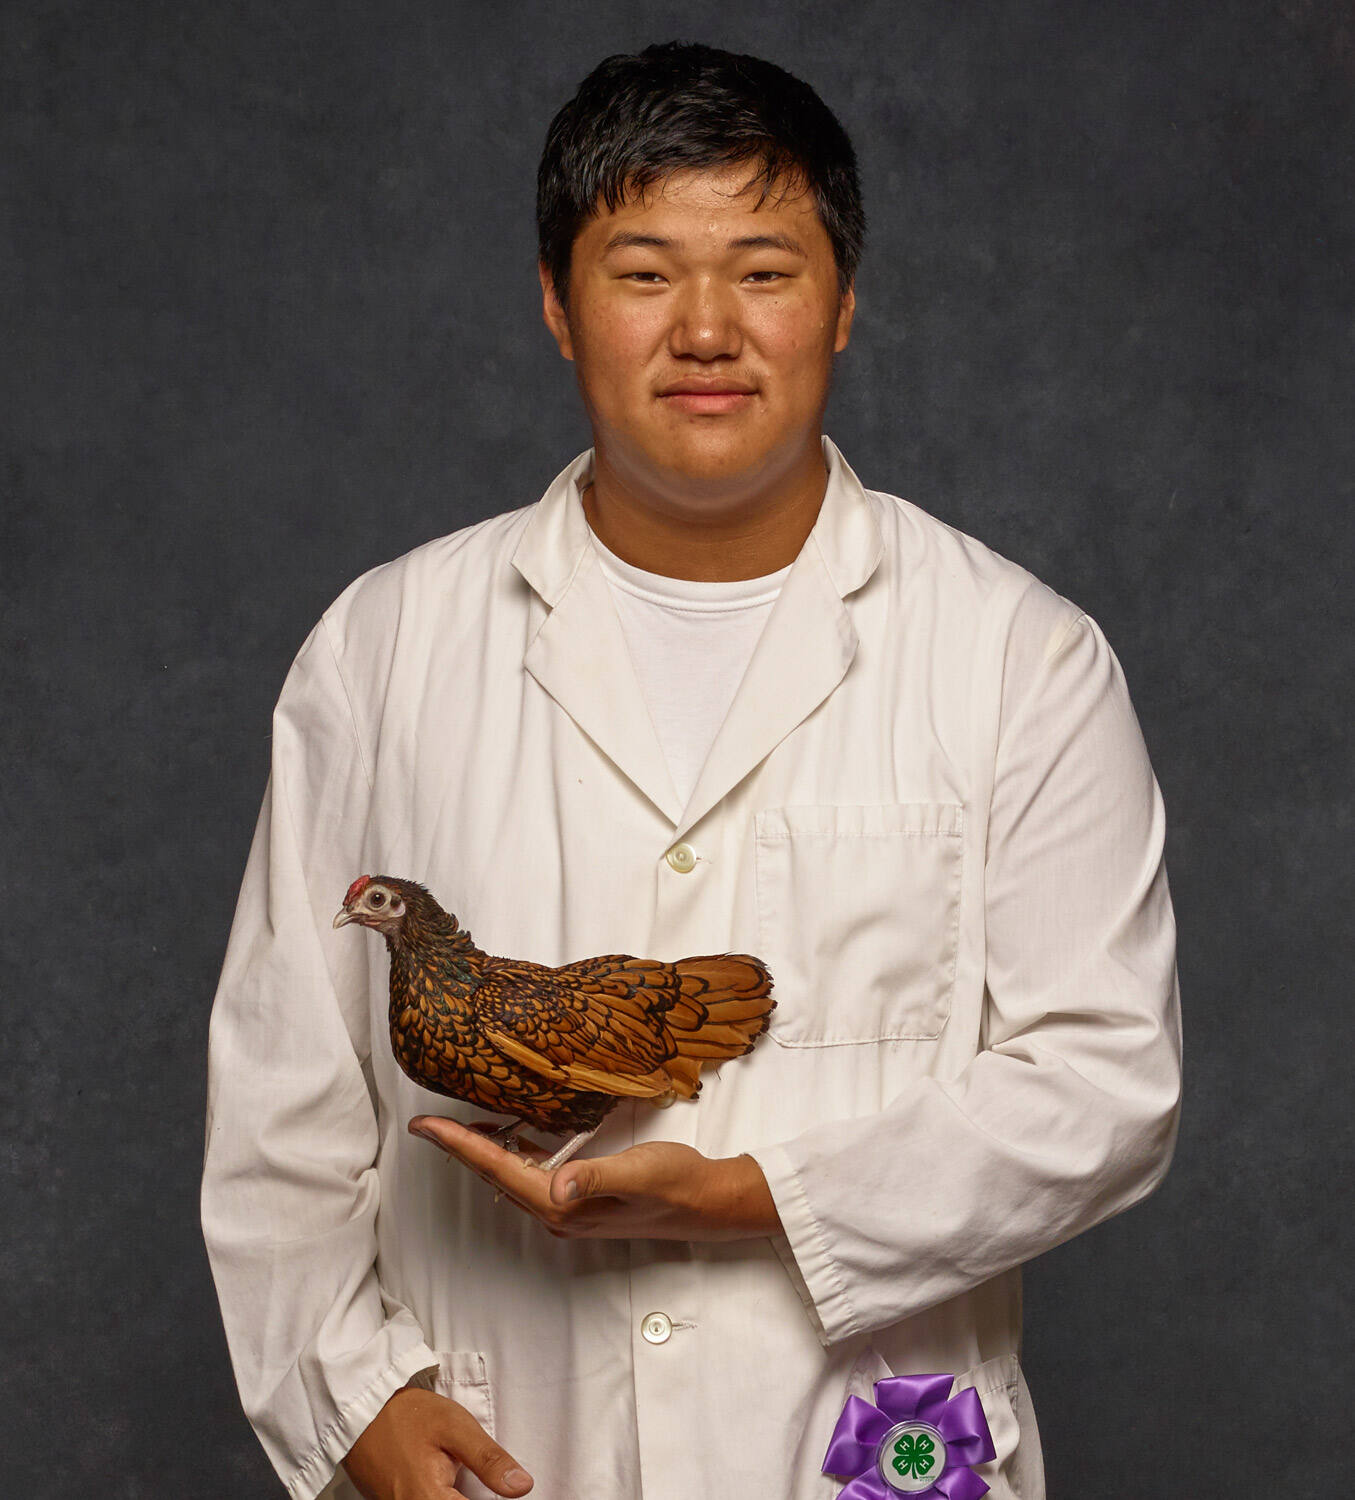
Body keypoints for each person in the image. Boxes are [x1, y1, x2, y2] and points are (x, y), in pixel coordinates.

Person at [200, 40, 1182, 1500]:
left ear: (842, 303)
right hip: (503, 1448)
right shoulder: (385, 647)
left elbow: (1105, 1083)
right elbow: (283, 1091)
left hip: (868, 1450)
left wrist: (757, 1198)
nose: (707, 330)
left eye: (764, 272)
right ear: (557, 303)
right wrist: (355, 1405)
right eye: (645, 273)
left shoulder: (1017, 657)